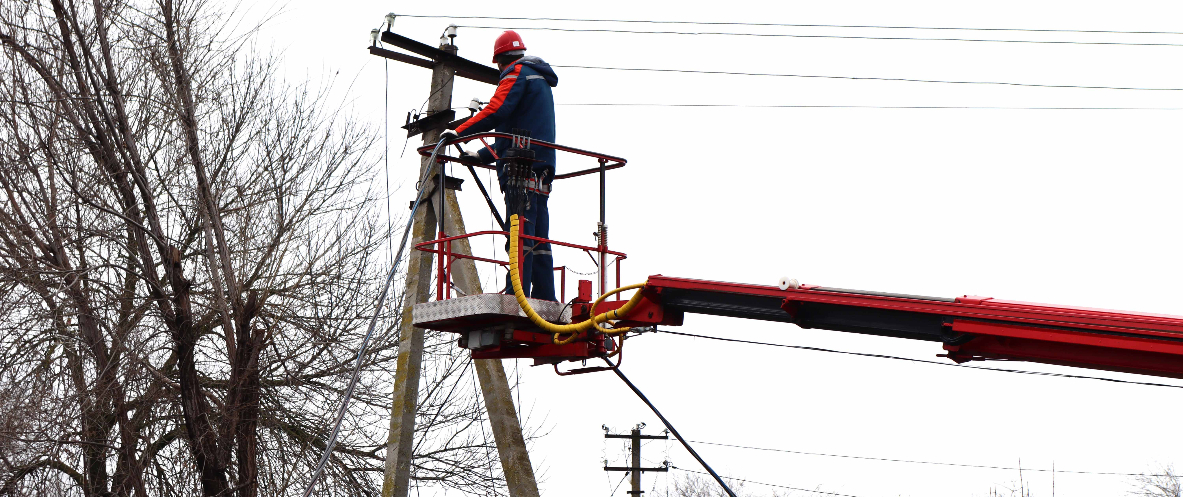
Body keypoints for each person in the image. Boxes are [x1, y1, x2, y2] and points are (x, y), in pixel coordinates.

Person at [440, 30, 559, 301]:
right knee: (539, 237)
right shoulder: (538, 79)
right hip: (540, 166)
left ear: (500, 60)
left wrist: (460, 131)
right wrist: (482, 155)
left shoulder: (516, 73)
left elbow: (496, 110)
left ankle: (515, 292)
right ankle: (545, 296)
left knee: (519, 231)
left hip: (521, 169)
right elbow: (518, 132)